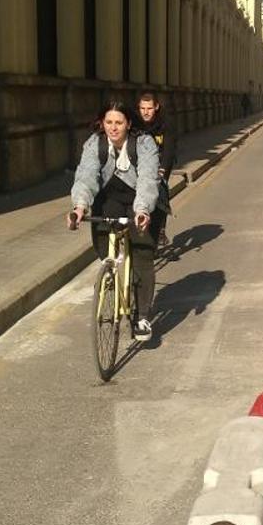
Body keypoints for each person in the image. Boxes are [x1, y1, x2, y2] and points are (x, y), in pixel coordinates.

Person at [68, 101, 162, 342]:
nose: (113, 127)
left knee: (142, 251)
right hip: (109, 197)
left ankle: (141, 316)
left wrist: (142, 211)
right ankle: (112, 272)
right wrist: (79, 207)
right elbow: (86, 175)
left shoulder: (143, 143)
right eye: (108, 122)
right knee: (102, 243)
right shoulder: (94, 143)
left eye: (118, 122)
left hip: (140, 199)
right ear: (102, 123)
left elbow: (148, 179)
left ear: (128, 123)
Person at [134, 92, 176, 248]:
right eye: (142, 108)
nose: (146, 112)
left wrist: (163, 171)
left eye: (149, 108)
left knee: (160, 193)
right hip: (142, 163)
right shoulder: (136, 123)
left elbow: (169, 149)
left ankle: (160, 229)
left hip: (161, 162)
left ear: (156, 107)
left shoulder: (166, 122)